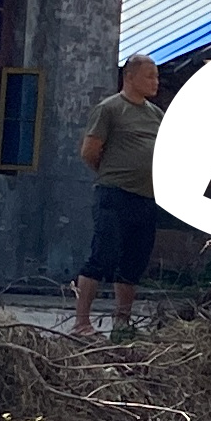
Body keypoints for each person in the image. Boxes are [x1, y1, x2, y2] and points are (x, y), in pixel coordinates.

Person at [74, 53, 163, 341]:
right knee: (103, 256)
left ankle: (121, 324)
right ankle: (81, 323)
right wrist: (114, 174)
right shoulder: (110, 109)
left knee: (134, 263)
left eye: (157, 76)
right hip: (114, 195)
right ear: (130, 77)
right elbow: (89, 152)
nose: (155, 82)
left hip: (146, 198)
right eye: (149, 76)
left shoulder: (156, 114)